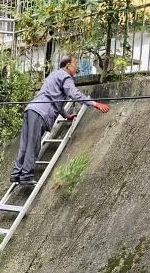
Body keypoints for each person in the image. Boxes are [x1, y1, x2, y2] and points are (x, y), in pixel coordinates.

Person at [10, 55, 109, 186]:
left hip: (31, 109)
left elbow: (54, 98)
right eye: (75, 65)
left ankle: (16, 173)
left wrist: (66, 115)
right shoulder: (65, 77)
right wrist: (94, 103)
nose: (76, 69)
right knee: (33, 144)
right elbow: (74, 94)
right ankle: (26, 175)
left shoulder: (53, 75)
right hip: (41, 112)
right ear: (68, 66)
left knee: (25, 143)